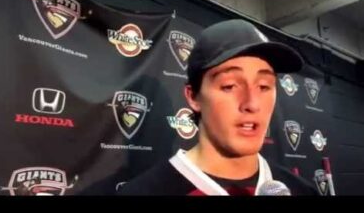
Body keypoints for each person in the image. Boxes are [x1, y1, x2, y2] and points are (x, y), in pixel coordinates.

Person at [117, 19, 318, 196]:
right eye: (230, 86)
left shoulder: (300, 190)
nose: (252, 104)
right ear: (193, 97)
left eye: (264, 86)